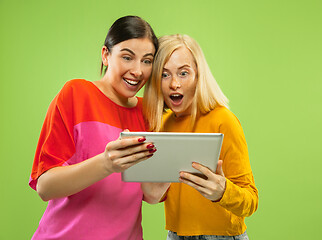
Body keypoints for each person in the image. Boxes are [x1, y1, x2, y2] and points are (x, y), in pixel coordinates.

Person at [29, 16, 165, 240]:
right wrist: (106, 163)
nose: (138, 71)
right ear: (105, 55)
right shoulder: (76, 94)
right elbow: (45, 185)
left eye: (147, 61)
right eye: (127, 57)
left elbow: (151, 195)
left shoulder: (148, 113)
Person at [143, 34, 259, 239]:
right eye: (165, 74)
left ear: (198, 76)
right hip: (176, 235)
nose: (174, 84)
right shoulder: (163, 124)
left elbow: (251, 202)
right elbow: (160, 193)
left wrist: (222, 192)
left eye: (184, 73)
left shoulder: (224, 120)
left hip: (222, 236)